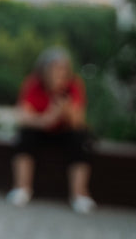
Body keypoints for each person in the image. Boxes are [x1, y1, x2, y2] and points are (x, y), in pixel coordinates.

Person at [6, 46, 96, 214]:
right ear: (44, 69)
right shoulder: (33, 83)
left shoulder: (74, 85)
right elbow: (23, 116)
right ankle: (22, 188)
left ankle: (79, 195)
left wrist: (66, 110)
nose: (58, 73)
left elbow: (78, 121)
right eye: (54, 68)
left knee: (81, 140)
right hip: (40, 130)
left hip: (66, 132)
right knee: (24, 136)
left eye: (62, 69)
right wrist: (45, 119)